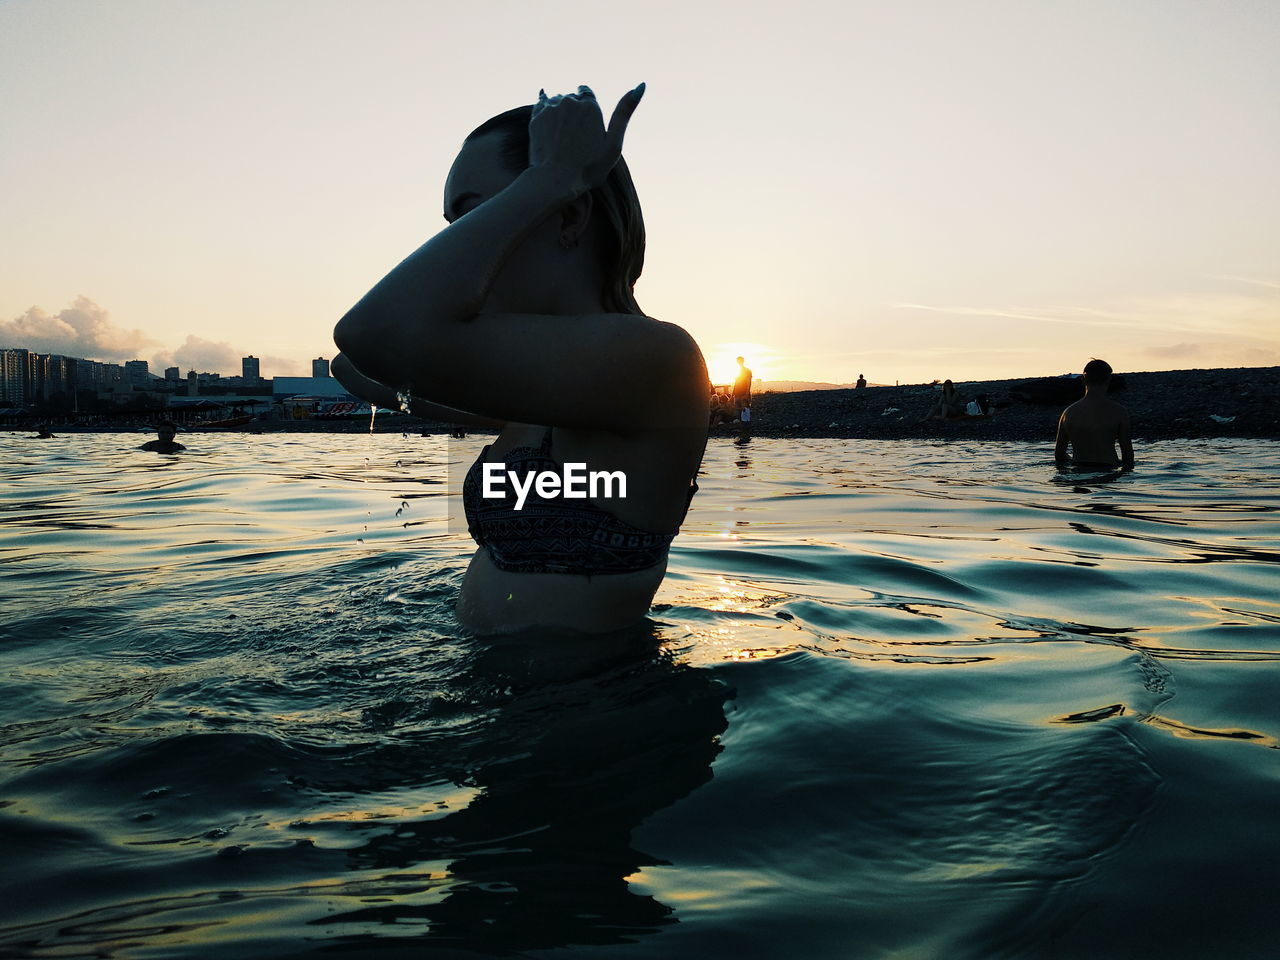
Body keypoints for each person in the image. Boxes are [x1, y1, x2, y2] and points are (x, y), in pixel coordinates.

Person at [332, 84, 708, 634]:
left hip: (597, 707)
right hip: (486, 697)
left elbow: (373, 333)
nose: (466, 240)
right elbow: (354, 364)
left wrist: (550, 178)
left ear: (567, 215)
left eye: (476, 215)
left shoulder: (656, 360)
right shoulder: (539, 402)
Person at [1055, 358, 1133, 471]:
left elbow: (1059, 455)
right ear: (1109, 380)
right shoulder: (1119, 412)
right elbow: (1128, 455)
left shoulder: (1068, 413)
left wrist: (1072, 462)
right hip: (1108, 471)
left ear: (1083, 380)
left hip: (1078, 470)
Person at [732, 356, 752, 443]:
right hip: (737, 393)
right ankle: (741, 430)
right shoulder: (738, 371)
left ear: (742, 361)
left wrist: (747, 393)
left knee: (745, 412)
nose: (738, 362)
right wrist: (733, 394)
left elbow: (748, 382)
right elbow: (736, 383)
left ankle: (746, 430)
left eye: (739, 361)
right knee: (738, 412)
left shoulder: (747, 371)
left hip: (743, 393)